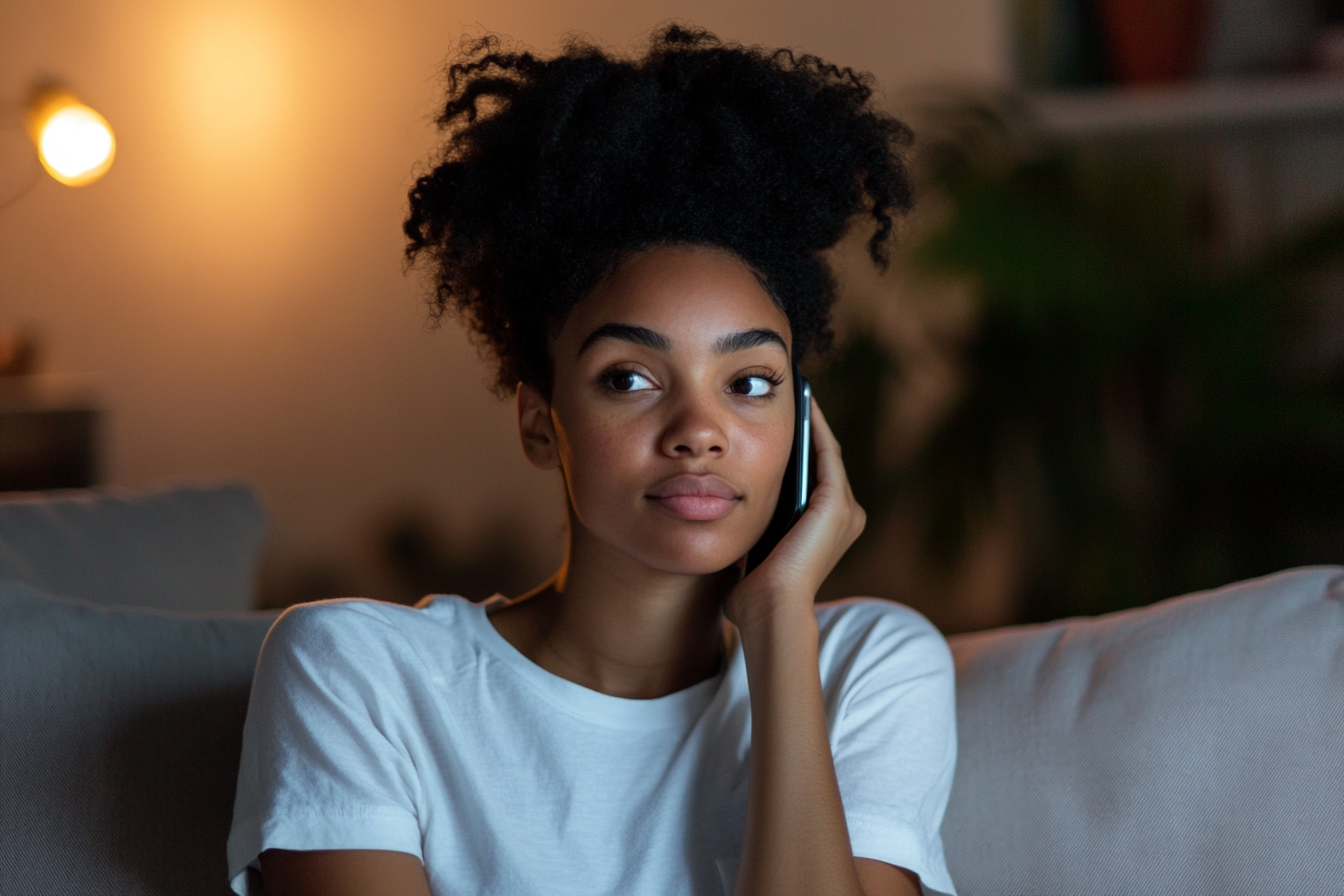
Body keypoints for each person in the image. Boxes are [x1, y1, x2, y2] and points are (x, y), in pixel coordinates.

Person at [227, 25, 958, 896]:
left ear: (803, 426)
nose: (700, 429)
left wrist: (776, 625)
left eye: (751, 383)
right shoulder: (358, 670)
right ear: (541, 423)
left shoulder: (868, 668)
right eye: (632, 377)